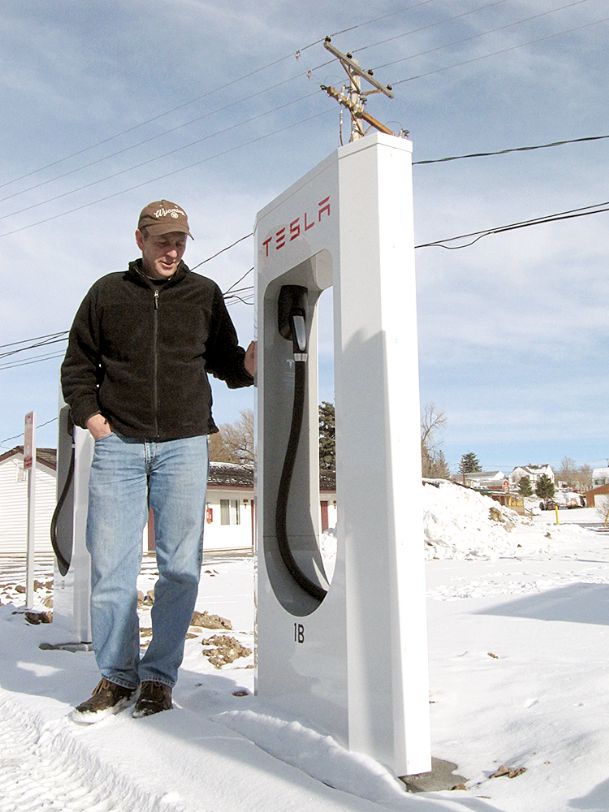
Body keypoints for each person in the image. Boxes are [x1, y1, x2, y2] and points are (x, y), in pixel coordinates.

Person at [61, 199, 256, 722]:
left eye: (179, 242)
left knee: (180, 569)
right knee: (111, 568)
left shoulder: (204, 294)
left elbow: (225, 361)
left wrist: (249, 365)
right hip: (119, 444)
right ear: (140, 239)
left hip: (185, 444)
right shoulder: (107, 293)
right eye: (162, 241)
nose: (171, 251)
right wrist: (92, 419)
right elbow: (77, 366)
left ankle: (158, 677)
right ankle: (117, 676)